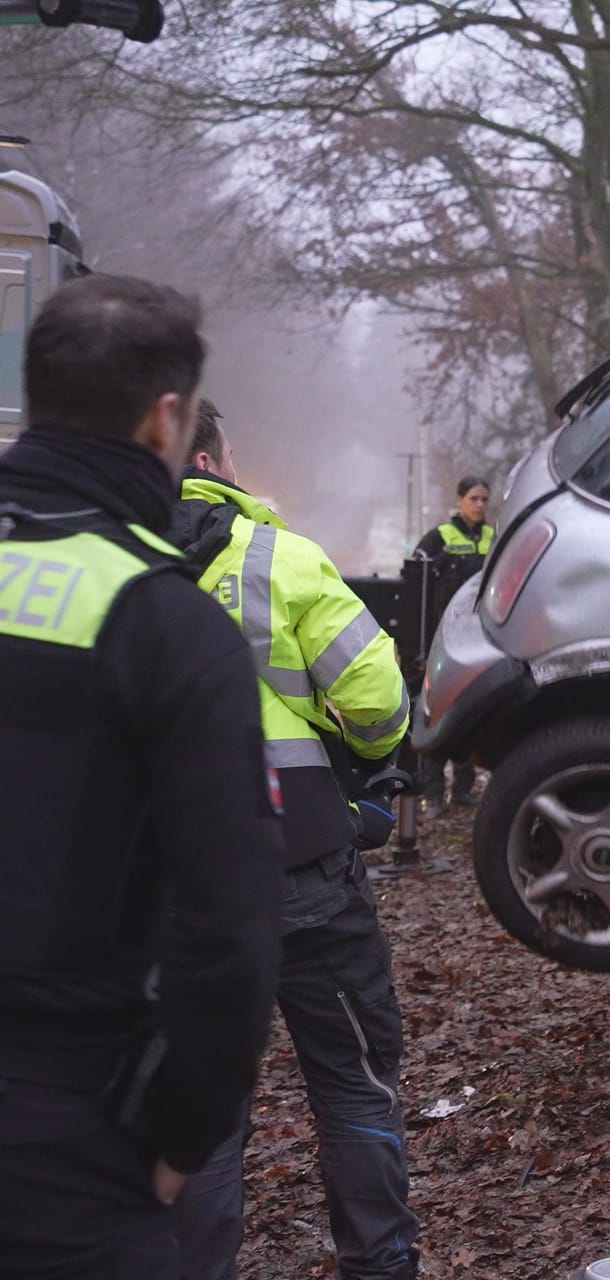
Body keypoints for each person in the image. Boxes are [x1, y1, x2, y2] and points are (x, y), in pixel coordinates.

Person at [0, 275, 282, 1276]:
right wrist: (178, 1143)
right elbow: (230, 934)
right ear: (166, 420)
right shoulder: (169, 627)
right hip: (69, 1138)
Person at [169, 400, 419, 1280]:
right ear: (207, 455)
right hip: (304, 872)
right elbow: (380, 700)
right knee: (352, 1083)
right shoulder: (279, 557)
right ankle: (379, 1266)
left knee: (198, 1110)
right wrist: (360, 759)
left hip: (177, 900)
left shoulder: (110, 569)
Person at [410, 475, 491, 812]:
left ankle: (462, 788)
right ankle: (432, 793)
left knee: (470, 713)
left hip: (479, 638)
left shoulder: (493, 536)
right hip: (443, 637)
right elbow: (417, 578)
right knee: (437, 712)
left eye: (485, 499)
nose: (480, 505)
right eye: (474, 498)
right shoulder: (441, 537)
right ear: (459, 500)